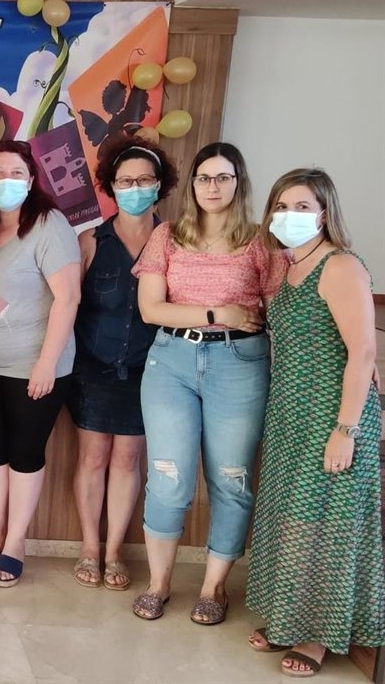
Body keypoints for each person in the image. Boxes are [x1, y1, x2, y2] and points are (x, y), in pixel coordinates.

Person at [130, 141, 286, 624]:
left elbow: (280, 311)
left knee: (232, 479)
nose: (212, 187)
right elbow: (150, 309)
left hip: (240, 364)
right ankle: (158, 584)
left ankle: (213, 588)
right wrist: (220, 313)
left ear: (239, 183)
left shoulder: (262, 241)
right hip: (171, 361)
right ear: (192, 185)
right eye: (203, 177)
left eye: (223, 177)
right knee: (168, 477)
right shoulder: (167, 236)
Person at [245, 168, 383, 676]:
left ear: (325, 213)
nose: (290, 215)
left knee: (322, 525)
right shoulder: (287, 266)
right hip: (290, 412)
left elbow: (362, 352)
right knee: (287, 517)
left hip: (334, 414)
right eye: (282, 206)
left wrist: (345, 430)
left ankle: (317, 637)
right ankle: (287, 618)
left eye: (302, 207)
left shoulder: (340, 265)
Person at [0, 139, 81, 588]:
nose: (6, 181)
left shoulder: (49, 225)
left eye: (16, 173)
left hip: (35, 365)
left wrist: (46, 364)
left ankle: (15, 544)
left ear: (31, 181)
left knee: (25, 453)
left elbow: (68, 298)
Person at [69, 139, 178, 591]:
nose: (135, 188)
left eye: (144, 180)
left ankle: (114, 551)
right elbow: (68, 305)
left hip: (151, 370)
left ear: (159, 185)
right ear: (111, 186)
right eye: (125, 181)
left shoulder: (175, 241)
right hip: (93, 367)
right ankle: (89, 547)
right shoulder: (91, 241)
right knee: (93, 456)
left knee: (129, 459)